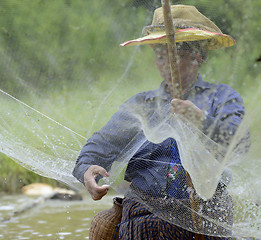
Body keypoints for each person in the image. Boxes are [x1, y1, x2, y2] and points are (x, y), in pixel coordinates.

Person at [73, 5, 248, 239]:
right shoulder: (142, 105)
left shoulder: (222, 98)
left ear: (200, 57)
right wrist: (88, 168)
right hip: (143, 219)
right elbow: (101, 144)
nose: (167, 63)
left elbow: (239, 143)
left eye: (177, 55)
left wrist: (199, 119)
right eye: (161, 55)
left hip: (205, 218)